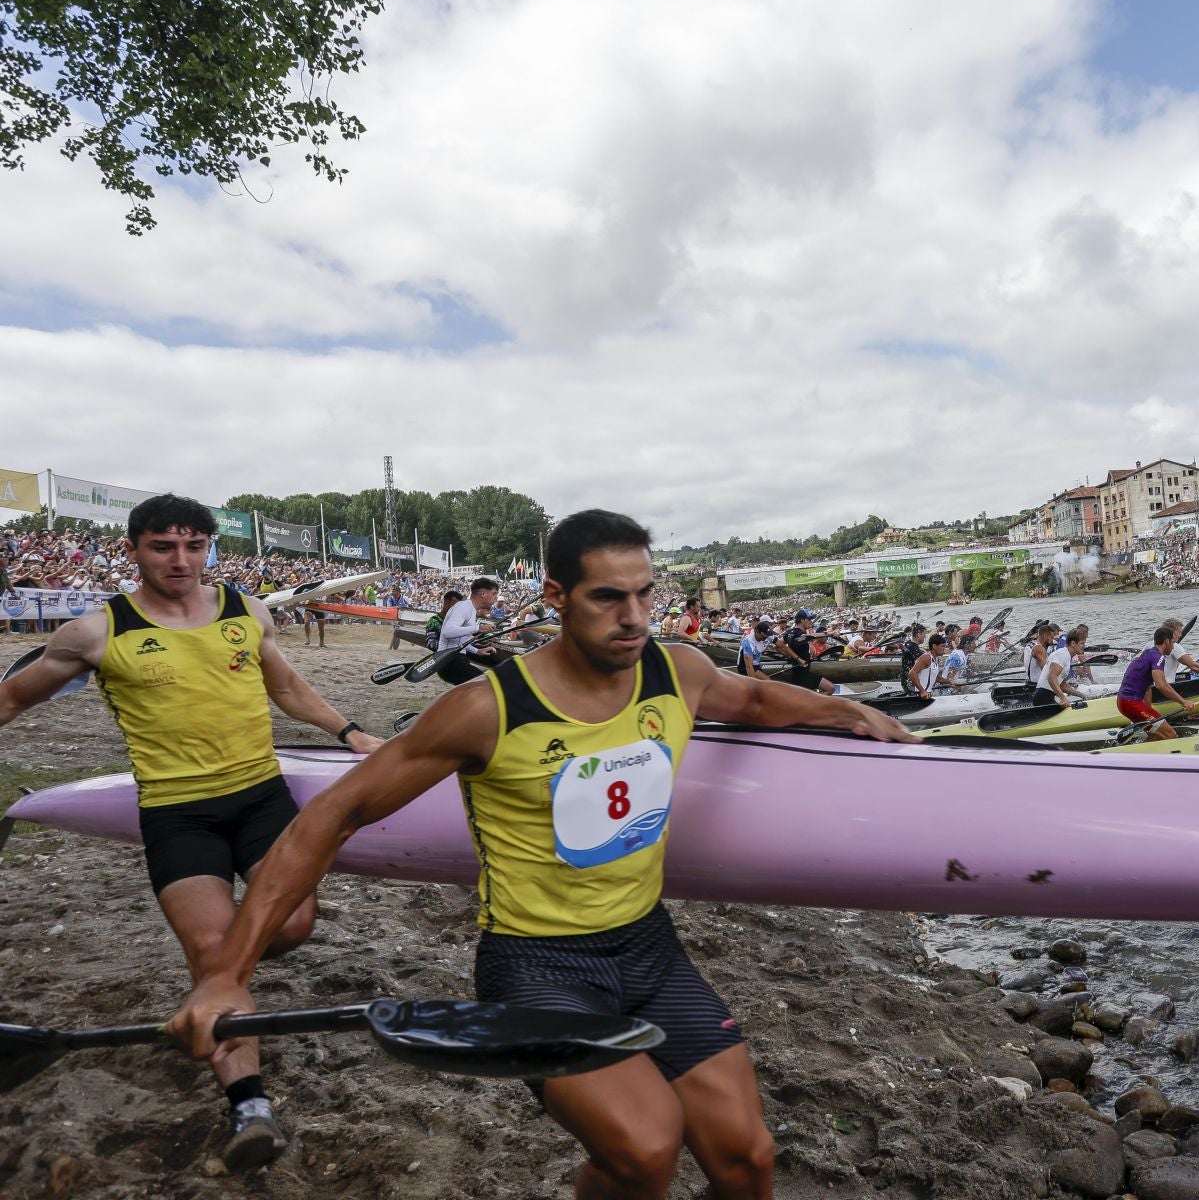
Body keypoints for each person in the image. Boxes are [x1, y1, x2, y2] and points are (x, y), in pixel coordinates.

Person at [171, 509, 917, 1198]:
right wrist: (230, 976)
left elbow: (750, 700)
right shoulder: (488, 709)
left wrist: (846, 709)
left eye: (645, 596)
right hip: (538, 967)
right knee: (647, 1149)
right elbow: (330, 818)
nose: (633, 619)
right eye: (607, 599)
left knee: (747, 1158)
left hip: (650, 950)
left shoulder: (675, 671)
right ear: (556, 596)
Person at [0, 494, 381, 1170]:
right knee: (211, 949)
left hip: (262, 800)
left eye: (193, 546)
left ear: (208, 549)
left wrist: (350, 733)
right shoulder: (95, 632)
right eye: (162, 546)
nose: (180, 560)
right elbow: (12, 697)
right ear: (134, 550)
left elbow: (287, 687)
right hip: (178, 814)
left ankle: (220, 986)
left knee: (291, 928)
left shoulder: (245, 611)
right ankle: (249, 1105)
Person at [1115, 625, 1185, 741]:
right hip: (1131, 703)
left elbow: (1147, 687)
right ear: (1166, 641)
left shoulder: (1147, 653)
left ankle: (1141, 754)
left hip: (1123, 702)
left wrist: (1148, 710)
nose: (1173, 647)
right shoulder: (1158, 657)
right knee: (1171, 735)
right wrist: (1183, 702)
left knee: (1156, 735)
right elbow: (1161, 685)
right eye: (1172, 643)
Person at [438, 577, 509, 685]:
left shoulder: (470, 609)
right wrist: (478, 628)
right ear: (483, 594)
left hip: (456, 659)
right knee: (487, 685)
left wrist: (477, 651)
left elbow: (459, 641)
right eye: (494, 594)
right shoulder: (464, 607)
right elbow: (447, 632)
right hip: (448, 661)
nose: (495, 598)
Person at [774, 608, 837, 695]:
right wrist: (831, 633)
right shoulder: (800, 634)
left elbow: (777, 645)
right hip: (802, 674)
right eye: (809, 619)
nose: (811, 621)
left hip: (798, 672)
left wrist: (788, 655)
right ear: (802, 620)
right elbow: (810, 636)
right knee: (830, 688)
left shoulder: (789, 633)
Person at [1041, 626, 1088, 707]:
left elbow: (1062, 685)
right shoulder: (1062, 655)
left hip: (1048, 697)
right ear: (1073, 643)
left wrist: (1081, 695)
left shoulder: (1066, 655)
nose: (1084, 646)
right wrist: (1062, 698)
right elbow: (1051, 678)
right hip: (1043, 699)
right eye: (1081, 643)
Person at [1022, 623, 1059, 705]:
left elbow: (1022, 659)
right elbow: (1047, 673)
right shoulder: (1039, 648)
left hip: (1030, 683)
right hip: (1039, 687)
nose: (1052, 640)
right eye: (1051, 637)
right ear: (1045, 635)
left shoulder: (1029, 644)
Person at [906, 632, 946, 698]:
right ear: (934, 646)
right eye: (942, 646)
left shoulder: (935, 659)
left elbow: (936, 677)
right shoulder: (927, 657)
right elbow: (911, 673)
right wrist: (922, 691)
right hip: (920, 696)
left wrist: (949, 681)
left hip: (927, 695)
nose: (944, 648)